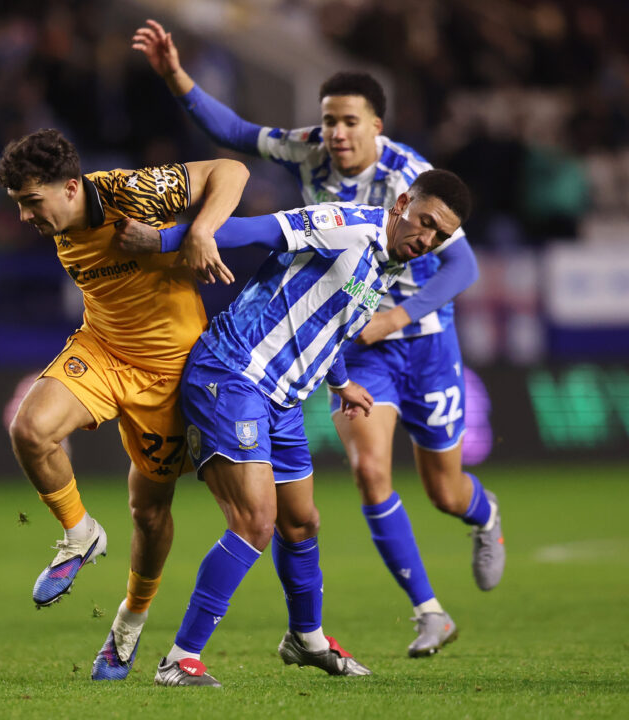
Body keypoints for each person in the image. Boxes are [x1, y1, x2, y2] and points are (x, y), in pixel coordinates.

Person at [134, 20, 505, 657]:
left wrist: (394, 319)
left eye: (350, 122)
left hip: (417, 336)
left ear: (377, 128)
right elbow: (237, 136)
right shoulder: (318, 164)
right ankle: (428, 613)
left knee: (443, 491)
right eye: (329, 120)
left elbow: (463, 267)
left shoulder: (413, 180)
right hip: (331, 333)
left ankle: (481, 514)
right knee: (366, 473)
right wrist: (176, 78)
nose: (336, 133)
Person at [116, 169, 472, 686]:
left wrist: (342, 383)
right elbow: (257, 229)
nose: (429, 239)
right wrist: (163, 240)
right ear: (402, 204)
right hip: (233, 375)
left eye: (441, 236)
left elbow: (333, 324)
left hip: (282, 400)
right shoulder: (347, 226)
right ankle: (180, 659)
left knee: (301, 522)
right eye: (427, 222)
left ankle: (306, 638)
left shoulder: (389, 265)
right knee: (254, 522)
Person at [0, 128, 248, 681]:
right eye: (18, 204)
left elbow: (231, 171)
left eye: (31, 202)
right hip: (103, 348)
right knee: (29, 430)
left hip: (169, 371)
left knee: (149, 513)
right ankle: (80, 533)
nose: (25, 217)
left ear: (70, 188)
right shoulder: (59, 220)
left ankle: (128, 625)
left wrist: (201, 230)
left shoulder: (132, 192)